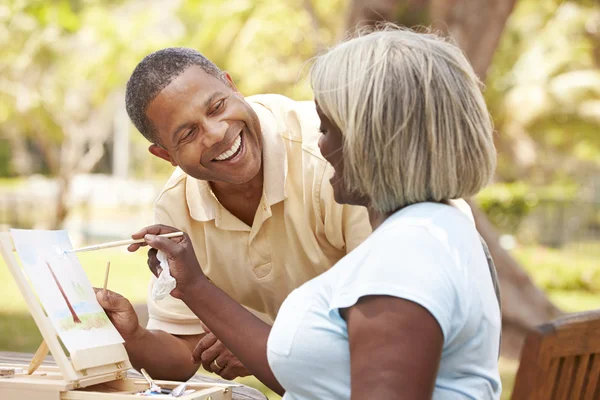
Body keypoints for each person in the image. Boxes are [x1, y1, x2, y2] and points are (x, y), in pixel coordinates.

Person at [119, 26, 502, 399]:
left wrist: (211, 303)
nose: (318, 142)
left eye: (330, 128)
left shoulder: (405, 258)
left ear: (381, 141)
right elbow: (331, 380)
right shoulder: (420, 234)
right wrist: (187, 293)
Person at [96, 46, 375, 381]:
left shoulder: (334, 155)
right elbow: (182, 356)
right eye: (188, 133)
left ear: (231, 86)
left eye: (217, 107)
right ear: (165, 155)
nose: (216, 133)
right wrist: (133, 336)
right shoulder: (176, 206)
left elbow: (387, 337)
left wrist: (256, 344)